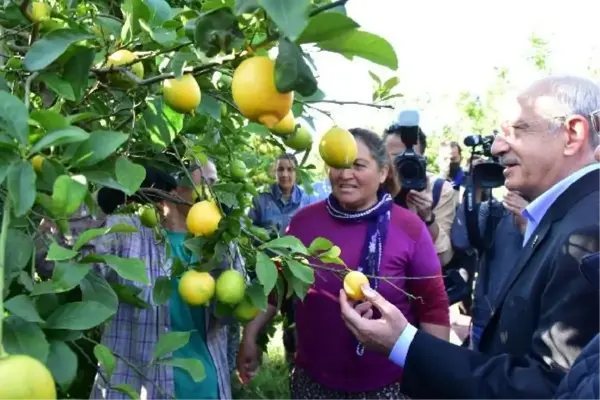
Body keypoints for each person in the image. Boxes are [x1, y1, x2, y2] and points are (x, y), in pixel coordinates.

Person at [339, 75, 600, 400]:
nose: (496, 148)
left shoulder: (589, 233)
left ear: (572, 134)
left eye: (519, 129)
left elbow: (547, 388)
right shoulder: (573, 213)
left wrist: (402, 342)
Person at [238, 128, 449, 399]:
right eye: (339, 165)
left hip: (388, 386)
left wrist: (434, 374)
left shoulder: (408, 228)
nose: (345, 174)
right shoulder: (303, 223)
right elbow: (275, 287)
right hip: (312, 383)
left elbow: (433, 308)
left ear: (383, 172)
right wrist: (250, 335)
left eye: (358, 165)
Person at [248, 153, 313, 364]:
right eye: (280, 169)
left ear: (297, 173)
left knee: (294, 323)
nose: (285, 174)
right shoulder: (261, 200)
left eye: (290, 169)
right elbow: (248, 232)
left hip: (294, 275)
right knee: (256, 323)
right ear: (274, 172)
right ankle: (250, 367)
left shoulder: (307, 201)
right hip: (267, 274)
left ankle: (293, 368)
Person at [384, 124, 456, 266]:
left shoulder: (439, 189)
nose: (403, 164)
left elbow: (444, 259)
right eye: (396, 158)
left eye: (410, 157)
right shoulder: (373, 185)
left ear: (422, 158)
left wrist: (427, 218)